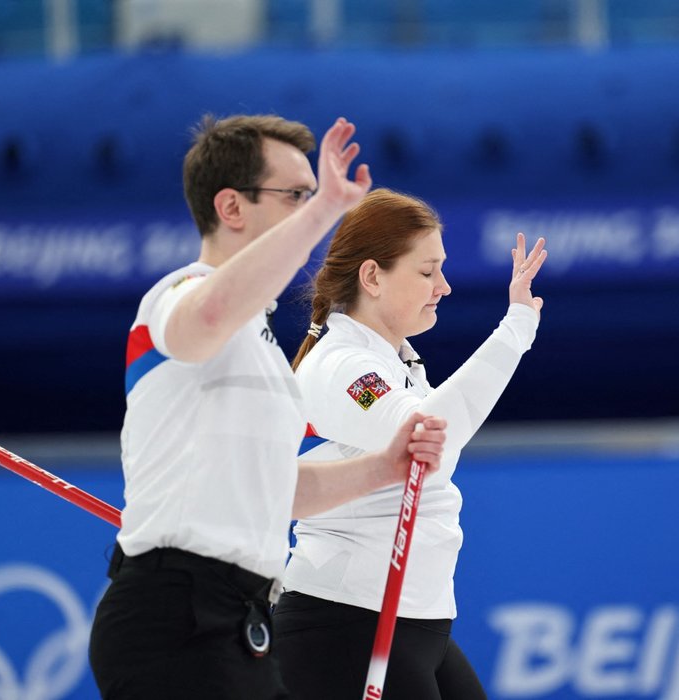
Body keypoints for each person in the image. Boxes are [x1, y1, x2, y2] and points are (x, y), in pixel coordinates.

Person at [88, 118, 448, 700]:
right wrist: (327, 208)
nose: (317, 215)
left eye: (315, 198)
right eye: (297, 197)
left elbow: (276, 488)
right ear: (231, 207)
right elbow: (203, 320)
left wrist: (388, 464)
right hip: (175, 615)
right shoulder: (176, 295)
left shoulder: (261, 345)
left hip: (240, 619)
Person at [273, 188, 546, 699]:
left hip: (416, 620)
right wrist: (514, 332)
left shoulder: (395, 360)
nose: (443, 286)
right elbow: (428, 444)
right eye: (427, 272)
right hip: (347, 624)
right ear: (372, 276)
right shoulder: (343, 367)